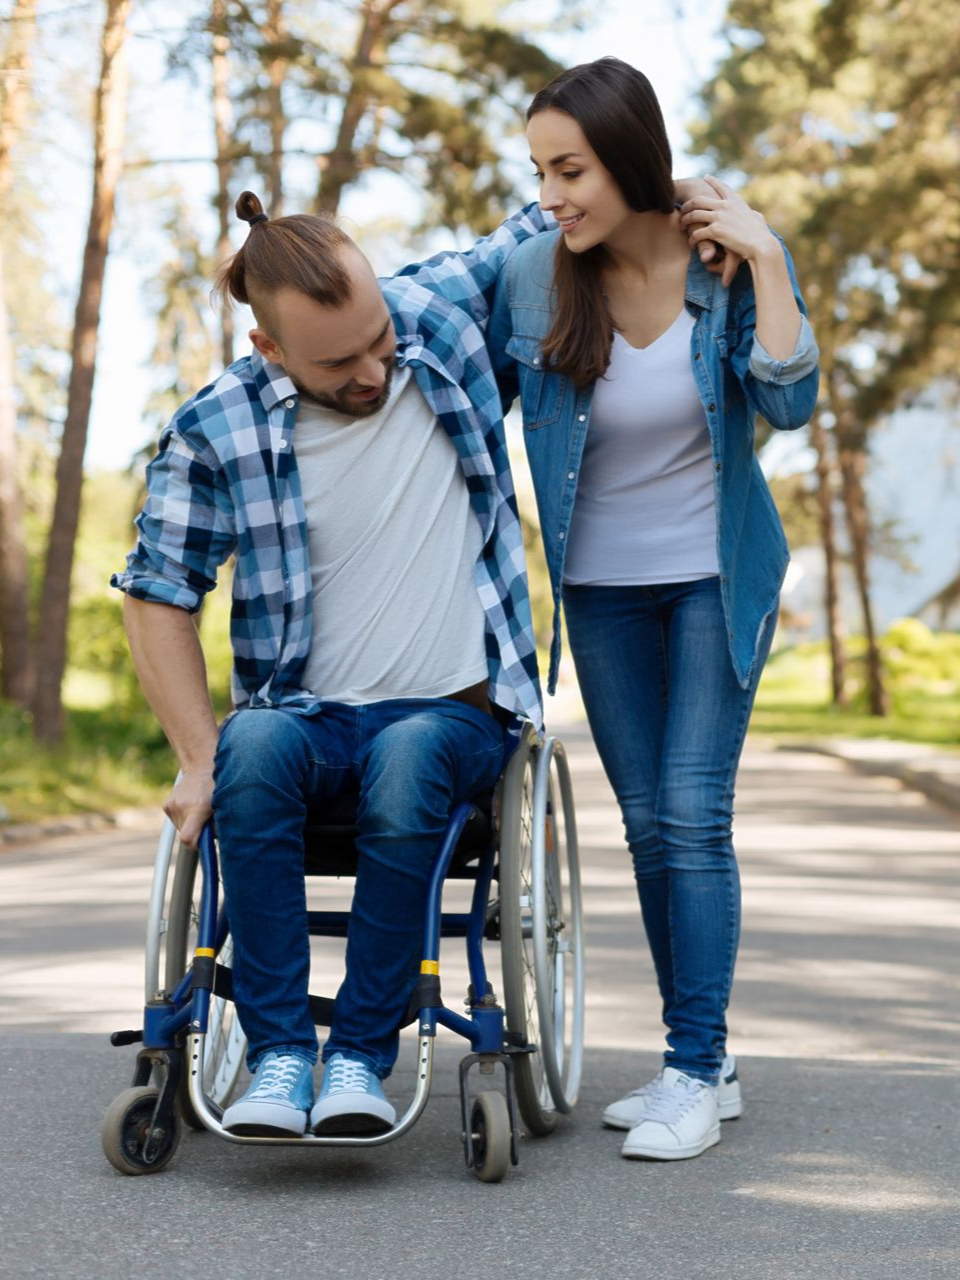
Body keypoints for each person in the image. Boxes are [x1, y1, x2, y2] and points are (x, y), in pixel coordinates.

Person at [112, 192, 550, 1138]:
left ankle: (356, 1053)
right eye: (339, 362)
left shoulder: (433, 314)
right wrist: (196, 756)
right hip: (307, 720)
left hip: (455, 716)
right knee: (250, 747)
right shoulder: (214, 430)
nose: (375, 370)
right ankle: (277, 1057)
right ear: (271, 350)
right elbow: (156, 596)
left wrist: (679, 195)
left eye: (378, 340)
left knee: (408, 758)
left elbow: (545, 217)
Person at [488, 57, 820, 1162]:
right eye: (540, 172)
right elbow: (420, 315)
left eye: (569, 169)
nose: (552, 196)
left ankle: (690, 1061)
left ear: (629, 157)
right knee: (645, 825)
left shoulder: (724, 263)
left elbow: (791, 396)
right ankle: (704, 1058)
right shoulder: (534, 275)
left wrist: (767, 251)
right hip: (601, 590)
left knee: (691, 810)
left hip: (715, 576)